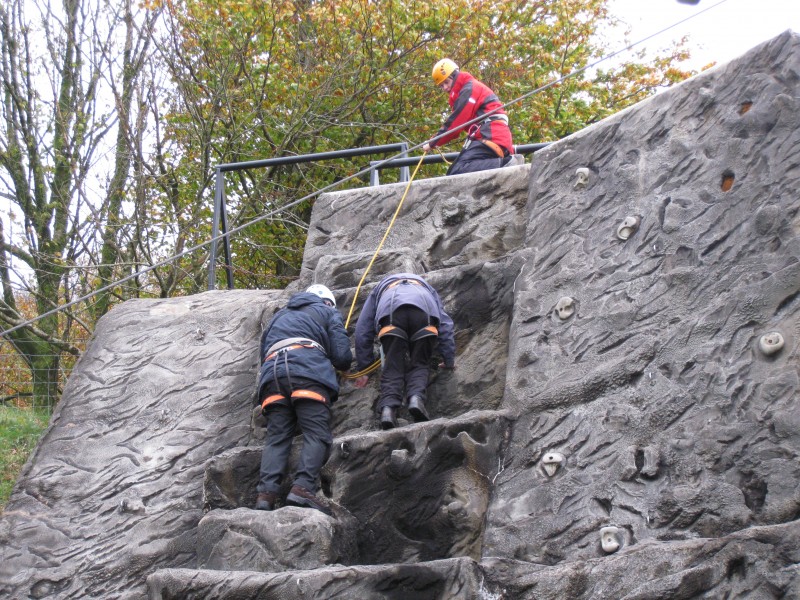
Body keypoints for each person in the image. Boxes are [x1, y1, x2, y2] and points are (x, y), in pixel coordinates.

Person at [254, 284, 352, 515]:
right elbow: (342, 357)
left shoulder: (279, 316)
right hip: (307, 371)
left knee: (277, 437)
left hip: (272, 376)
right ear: (327, 301)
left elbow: (262, 354)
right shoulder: (328, 311)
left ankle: (265, 496)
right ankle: (303, 489)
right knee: (316, 433)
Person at [353, 273, 455, 430]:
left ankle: (388, 411)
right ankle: (415, 400)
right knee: (420, 362)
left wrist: (364, 368)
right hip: (425, 312)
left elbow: (362, 329)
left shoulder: (380, 288)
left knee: (393, 365)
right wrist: (448, 359)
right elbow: (445, 323)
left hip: (391, 313)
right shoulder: (426, 287)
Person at [422, 58, 514, 176]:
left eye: (446, 82)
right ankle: (503, 163)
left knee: (458, 169)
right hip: (488, 136)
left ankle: (506, 163)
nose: (444, 88)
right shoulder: (465, 91)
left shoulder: (470, 89)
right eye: (441, 86)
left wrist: (433, 142)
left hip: (491, 135)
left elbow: (457, 122)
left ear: (454, 76)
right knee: (453, 172)